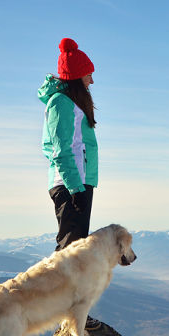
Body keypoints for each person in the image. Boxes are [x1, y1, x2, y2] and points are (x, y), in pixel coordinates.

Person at [38, 38, 99, 250]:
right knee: (69, 253)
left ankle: (69, 285)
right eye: (88, 74)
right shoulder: (61, 103)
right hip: (69, 184)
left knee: (76, 253)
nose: (91, 81)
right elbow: (60, 151)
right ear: (76, 75)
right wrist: (75, 188)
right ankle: (55, 284)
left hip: (79, 181)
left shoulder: (71, 102)